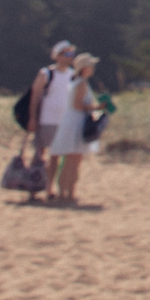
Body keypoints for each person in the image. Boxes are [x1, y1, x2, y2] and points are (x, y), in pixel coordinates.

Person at [22, 40, 77, 205]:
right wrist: (32, 118)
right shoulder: (46, 74)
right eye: (66, 54)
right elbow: (35, 96)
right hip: (46, 120)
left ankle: (49, 188)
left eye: (71, 54)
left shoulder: (72, 75)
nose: (69, 57)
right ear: (57, 56)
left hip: (64, 121)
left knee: (57, 157)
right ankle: (33, 188)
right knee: (40, 155)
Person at [46, 53, 103, 204]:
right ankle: (67, 192)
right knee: (73, 161)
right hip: (76, 123)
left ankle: (66, 192)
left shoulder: (77, 81)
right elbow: (77, 105)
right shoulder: (81, 83)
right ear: (85, 68)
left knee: (71, 160)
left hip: (72, 122)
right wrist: (97, 107)